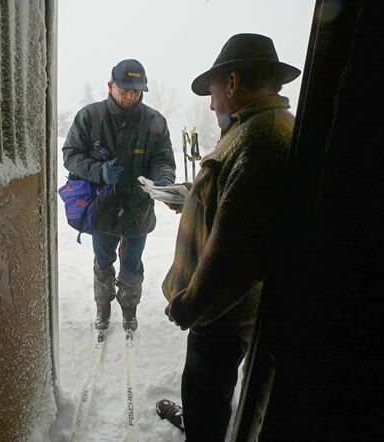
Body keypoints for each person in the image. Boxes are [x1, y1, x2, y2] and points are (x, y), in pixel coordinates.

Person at [155, 34, 301, 441]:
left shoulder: (260, 140)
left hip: (221, 311)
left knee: (206, 392)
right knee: (207, 390)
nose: (211, 102)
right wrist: (191, 196)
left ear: (233, 83)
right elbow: (234, 201)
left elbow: (237, 254)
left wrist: (189, 306)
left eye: (214, 90)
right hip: (224, 306)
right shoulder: (255, 128)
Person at [62, 59, 176, 332]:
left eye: (137, 91)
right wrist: (99, 171)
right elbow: (70, 155)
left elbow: (163, 159)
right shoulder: (90, 116)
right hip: (102, 207)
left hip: (138, 208)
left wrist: (163, 180)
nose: (131, 96)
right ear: (110, 86)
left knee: (132, 266)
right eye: (125, 89)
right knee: (102, 262)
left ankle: (129, 309)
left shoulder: (154, 121)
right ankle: (103, 307)